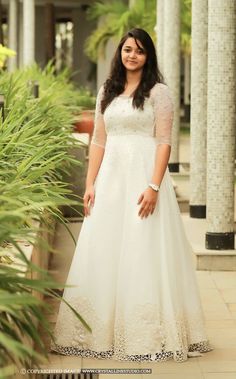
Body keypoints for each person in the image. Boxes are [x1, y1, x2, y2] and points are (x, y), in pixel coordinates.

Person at [51, 28, 212, 363]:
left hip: (143, 179)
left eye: (139, 51)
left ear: (147, 55)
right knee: (106, 248)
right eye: (127, 49)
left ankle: (146, 332)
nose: (132, 55)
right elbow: (98, 141)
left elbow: (165, 141)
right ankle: (101, 330)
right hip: (110, 181)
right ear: (119, 53)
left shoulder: (159, 92)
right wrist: (90, 183)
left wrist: (153, 187)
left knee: (143, 249)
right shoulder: (106, 91)